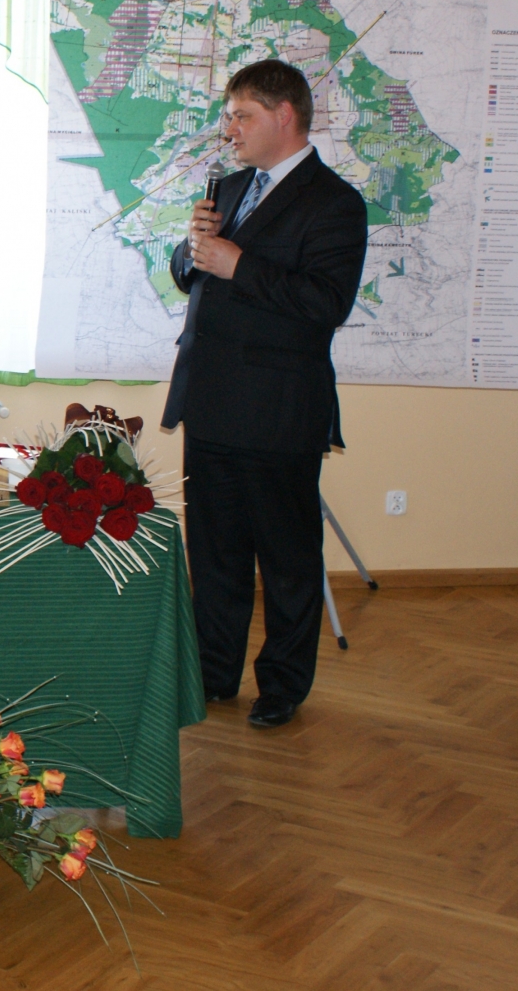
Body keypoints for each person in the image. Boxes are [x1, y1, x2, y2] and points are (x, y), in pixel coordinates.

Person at [162, 60, 369, 730]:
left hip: (279, 410)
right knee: (215, 554)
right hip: (211, 400)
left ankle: (281, 685)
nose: (230, 129)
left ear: (284, 116)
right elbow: (193, 272)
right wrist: (191, 249)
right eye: (229, 116)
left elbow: (326, 303)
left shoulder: (334, 202)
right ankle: (214, 673)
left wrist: (238, 263)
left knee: (285, 559)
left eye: (242, 116)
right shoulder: (230, 187)